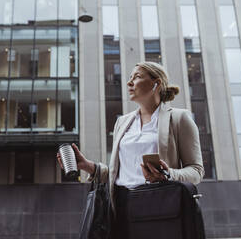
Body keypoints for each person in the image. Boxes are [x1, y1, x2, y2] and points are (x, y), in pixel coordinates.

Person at [57, 61, 204, 238]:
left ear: (156, 83)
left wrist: (168, 174)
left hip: (159, 207)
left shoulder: (179, 119)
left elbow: (196, 171)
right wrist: (88, 166)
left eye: (137, 77)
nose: (129, 82)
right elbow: (119, 173)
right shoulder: (123, 122)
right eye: (130, 78)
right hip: (120, 206)